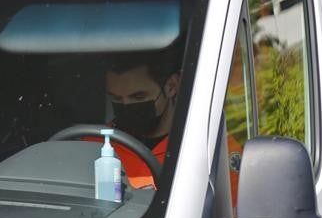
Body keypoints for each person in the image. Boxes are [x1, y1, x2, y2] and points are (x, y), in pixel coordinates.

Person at [102, 51, 240, 196]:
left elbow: (237, 211)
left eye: (138, 96)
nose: (126, 106)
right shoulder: (96, 143)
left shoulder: (210, 147)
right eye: (116, 99)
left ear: (171, 87)